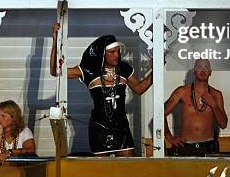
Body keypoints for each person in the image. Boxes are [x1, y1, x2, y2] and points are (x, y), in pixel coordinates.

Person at [50, 23, 153, 157]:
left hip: (121, 126)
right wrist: (55, 40)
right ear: (103, 53)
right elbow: (55, 72)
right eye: (112, 52)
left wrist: (155, 70)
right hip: (99, 127)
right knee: (101, 168)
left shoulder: (124, 68)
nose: (117, 55)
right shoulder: (89, 70)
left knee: (128, 168)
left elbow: (139, 89)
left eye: (118, 51)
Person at [164, 59, 228, 156]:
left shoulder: (216, 94)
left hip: (208, 146)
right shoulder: (182, 91)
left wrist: (213, 105)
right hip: (186, 146)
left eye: (206, 67)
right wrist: (169, 137)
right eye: (199, 67)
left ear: (210, 72)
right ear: (194, 71)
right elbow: (160, 113)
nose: (203, 70)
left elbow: (223, 124)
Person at [0, 100, 36, 165]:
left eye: (3, 116)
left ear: (14, 117)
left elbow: (31, 149)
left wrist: (9, 152)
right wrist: (0, 130)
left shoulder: (25, 131)